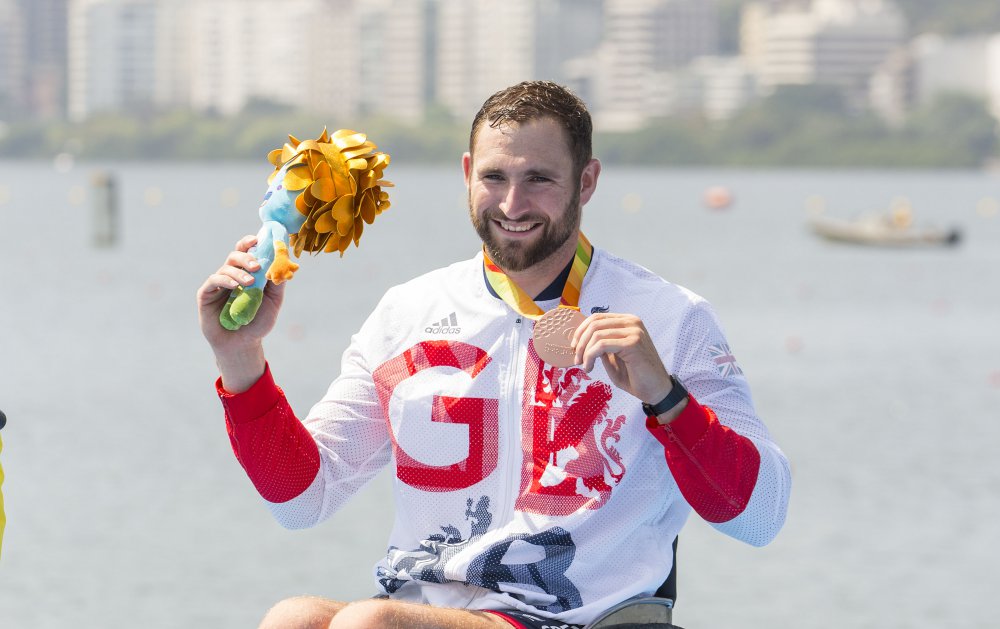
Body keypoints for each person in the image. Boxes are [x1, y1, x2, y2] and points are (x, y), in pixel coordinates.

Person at [197, 81, 791, 629]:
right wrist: (241, 359)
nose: (511, 203)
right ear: (466, 174)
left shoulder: (670, 319)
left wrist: (667, 400)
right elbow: (303, 499)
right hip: (424, 608)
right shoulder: (406, 313)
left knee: (369, 625)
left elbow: (761, 516)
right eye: (494, 177)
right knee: (294, 618)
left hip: (584, 619)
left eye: (539, 179)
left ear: (587, 181)